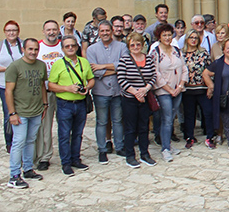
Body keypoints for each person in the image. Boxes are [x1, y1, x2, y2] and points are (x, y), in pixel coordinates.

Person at [47, 35, 95, 176]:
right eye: (67, 46)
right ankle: (66, 163)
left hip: (80, 103)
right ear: (62, 49)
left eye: (73, 45)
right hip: (64, 104)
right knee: (64, 134)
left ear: (77, 47)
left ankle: (75, 158)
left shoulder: (83, 62)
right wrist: (67, 88)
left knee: (78, 134)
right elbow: (51, 85)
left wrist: (87, 87)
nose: (70, 48)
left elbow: (91, 79)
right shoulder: (58, 65)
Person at [4, 37, 47, 189]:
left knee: (30, 140)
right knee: (18, 142)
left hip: (36, 110)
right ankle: (14, 175)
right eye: (30, 49)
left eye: (36, 49)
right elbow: (8, 91)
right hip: (20, 111)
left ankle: (28, 169)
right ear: (23, 49)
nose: (33, 52)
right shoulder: (15, 67)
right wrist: (12, 113)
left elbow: (42, 85)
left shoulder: (41, 65)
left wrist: (44, 104)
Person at [86, 20, 127, 164]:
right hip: (100, 91)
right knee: (102, 121)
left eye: (107, 30)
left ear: (111, 31)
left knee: (118, 120)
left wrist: (102, 67)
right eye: (102, 31)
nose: (105, 33)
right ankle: (102, 149)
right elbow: (94, 71)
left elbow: (123, 65)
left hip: (117, 90)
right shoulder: (91, 49)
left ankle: (120, 146)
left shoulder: (122, 46)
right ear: (98, 32)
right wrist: (113, 70)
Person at [116, 33, 157, 168]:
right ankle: (130, 155)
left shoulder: (148, 59)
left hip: (144, 97)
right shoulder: (124, 60)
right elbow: (121, 79)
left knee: (144, 127)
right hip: (129, 99)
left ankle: (145, 153)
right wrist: (135, 93)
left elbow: (153, 76)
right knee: (130, 128)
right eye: (132, 45)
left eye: (138, 44)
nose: (135, 47)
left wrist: (144, 90)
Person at [149, 23, 185, 162]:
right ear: (159, 36)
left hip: (178, 89)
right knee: (167, 119)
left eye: (169, 34)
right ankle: (165, 148)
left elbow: (184, 68)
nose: (167, 37)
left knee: (171, 118)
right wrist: (169, 89)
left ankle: (168, 145)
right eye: (164, 35)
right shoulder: (155, 53)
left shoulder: (177, 50)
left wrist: (181, 85)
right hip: (163, 90)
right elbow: (155, 73)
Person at [0, 20, 23, 153]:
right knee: (9, 113)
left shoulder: (24, 45)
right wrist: (6, 69)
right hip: (5, 86)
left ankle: (21, 139)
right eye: (8, 30)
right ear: (4, 32)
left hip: (22, 86)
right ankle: (10, 142)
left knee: (23, 112)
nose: (11, 33)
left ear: (18, 31)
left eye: (14, 30)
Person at [35, 20, 64, 171]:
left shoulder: (64, 46)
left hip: (63, 91)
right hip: (45, 92)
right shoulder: (38, 47)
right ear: (43, 31)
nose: (51, 32)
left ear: (58, 30)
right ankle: (44, 156)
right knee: (45, 127)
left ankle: (67, 154)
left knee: (65, 125)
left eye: (54, 29)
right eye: (48, 30)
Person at [180, 30, 213, 149]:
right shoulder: (181, 54)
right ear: (186, 39)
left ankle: (210, 136)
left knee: (208, 112)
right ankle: (189, 136)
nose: (193, 40)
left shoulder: (203, 53)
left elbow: (210, 69)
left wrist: (210, 86)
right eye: (191, 37)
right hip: (188, 89)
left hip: (202, 88)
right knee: (189, 114)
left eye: (195, 38)